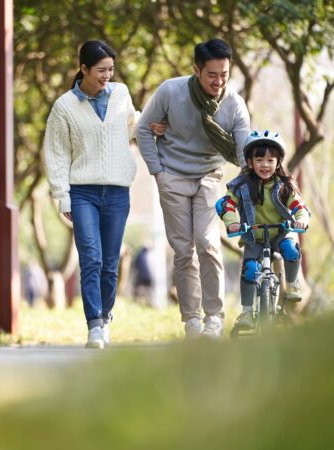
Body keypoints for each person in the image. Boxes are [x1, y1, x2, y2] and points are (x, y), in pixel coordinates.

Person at [44, 40, 165, 349]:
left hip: (116, 192)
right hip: (82, 192)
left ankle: (106, 317)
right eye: (100, 70)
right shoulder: (64, 106)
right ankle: (94, 324)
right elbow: (56, 154)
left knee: (110, 263)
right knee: (91, 259)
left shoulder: (121, 94)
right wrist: (63, 195)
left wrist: (149, 126)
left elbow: (129, 126)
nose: (107, 76)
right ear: (83, 69)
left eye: (111, 69)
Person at [136, 38, 250, 338]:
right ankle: (192, 321)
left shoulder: (234, 104)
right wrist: (158, 173)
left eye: (224, 74)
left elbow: (243, 152)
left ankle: (214, 317)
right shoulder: (171, 91)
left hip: (209, 176)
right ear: (196, 70)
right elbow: (143, 131)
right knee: (183, 251)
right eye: (212, 74)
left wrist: (252, 182)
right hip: (171, 176)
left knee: (208, 242)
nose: (219, 81)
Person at [215, 130, 310, 330]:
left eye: (270, 160)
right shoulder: (241, 185)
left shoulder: (284, 185)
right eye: (259, 159)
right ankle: (247, 312)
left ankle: (292, 283)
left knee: (292, 249)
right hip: (254, 237)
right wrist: (232, 222)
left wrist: (300, 219)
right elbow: (225, 204)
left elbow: (299, 206)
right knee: (250, 270)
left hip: (280, 233)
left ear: (278, 162)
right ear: (250, 162)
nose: (265, 165)